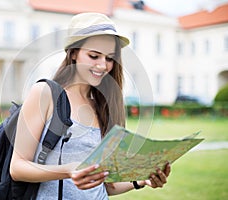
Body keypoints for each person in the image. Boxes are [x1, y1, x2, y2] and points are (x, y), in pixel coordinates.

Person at [10, 12, 171, 199]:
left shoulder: (105, 106)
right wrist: (68, 171)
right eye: (94, 56)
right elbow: (18, 167)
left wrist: (141, 180)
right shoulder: (45, 94)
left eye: (110, 58)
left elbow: (106, 185)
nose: (103, 65)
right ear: (74, 53)